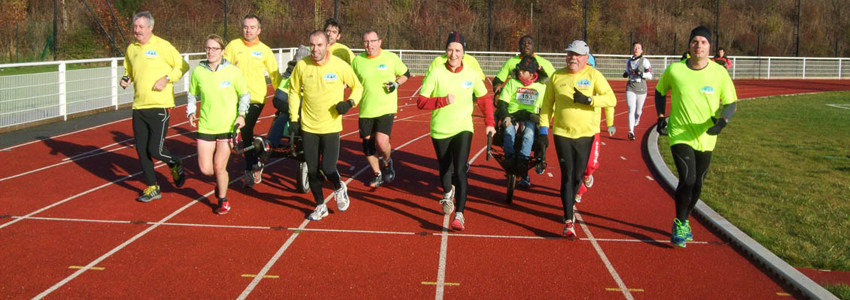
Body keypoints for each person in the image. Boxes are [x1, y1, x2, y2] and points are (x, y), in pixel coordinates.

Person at [655, 26, 737, 247]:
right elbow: (660, 91)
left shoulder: (719, 73)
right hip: (680, 132)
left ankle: (686, 218)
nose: (698, 45)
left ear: (709, 47)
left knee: (698, 183)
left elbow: (730, 103)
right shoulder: (675, 70)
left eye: (703, 42)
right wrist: (662, 116)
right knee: (688, 178)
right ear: (689, 45)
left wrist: (723, 122)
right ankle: (680, 223)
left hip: (706, 135)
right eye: (695, 41)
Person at [417, 32, 496, 231]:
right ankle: (446, 193)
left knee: (460, 170)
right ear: (445, 51)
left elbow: (484, 99)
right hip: (440, 129)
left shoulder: (471, 73)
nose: (454, 54)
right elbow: (421, 101)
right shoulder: (436, 72)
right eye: (450, 50)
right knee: (445, 169)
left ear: (464, 53)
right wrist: (442, 100)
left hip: (463, 127)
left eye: (458, 50)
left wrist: (489, 122)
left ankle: (460, 214)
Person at [538, 40, 616, 237]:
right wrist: (543, 131)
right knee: (567, 174)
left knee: (577, 176)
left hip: (586, 134)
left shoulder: (593, 75)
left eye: (577, 55)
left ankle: (570, 203)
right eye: (569, 54)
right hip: (562, 133)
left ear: (585, 58)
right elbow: (547, 106)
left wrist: (590, 100)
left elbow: (611, 98)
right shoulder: (557, 76)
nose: (572, 58)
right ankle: (568, 220)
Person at [288, 30, 363, 221]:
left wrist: (350, 103)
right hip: (308, 127)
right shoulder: (302, 66)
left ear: (327, 45)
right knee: (312, 170)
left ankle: (339, 187)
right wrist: (294, 119)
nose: (315, 49)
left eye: (319, 45)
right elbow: (294, 92)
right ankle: (320, 205)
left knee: (329, 168)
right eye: (312, 45)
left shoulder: (339, 65)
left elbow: (358, 87)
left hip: (330, 127)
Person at [120, 11, 189, 203]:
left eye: (141, 27)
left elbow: (182, 66)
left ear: (151, 27)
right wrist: (126, 78)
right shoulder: (131, 48)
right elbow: (129, 69)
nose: (137, 30)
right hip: (138, 106)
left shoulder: (162, 45)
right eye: (135, 27)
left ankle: (174, 161)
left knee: (155, 150)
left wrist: (166, 79)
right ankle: (152, 187)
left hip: (160, 105)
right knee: (141, 150)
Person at [186, 35, 249, 214]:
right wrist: (191, 111)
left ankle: (223, 199)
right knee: (206, 169)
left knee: (220, 167)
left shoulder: (233, 72)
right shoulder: (198, 71)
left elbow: (244, 94)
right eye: (208, 48)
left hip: (228, 127)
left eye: (215, 48)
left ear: (222, 51)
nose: (211, 52)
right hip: (206, 125)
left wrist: (242, 115)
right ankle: (221, 183)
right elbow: (192, 94)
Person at [223, 14, 280, 188]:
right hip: (235, 96)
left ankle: (250, 167)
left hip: (255, 97)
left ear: (259, 30)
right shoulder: (233, 46)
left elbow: (275, 75)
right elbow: (222, 67)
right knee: (234, 131)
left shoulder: (265, 50)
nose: (248, 30)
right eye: (245, 27)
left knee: (246, 127)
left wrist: (281, 96)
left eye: (252, 27)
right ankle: (255, 159)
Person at [352, 30, 411, 188]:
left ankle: (387, 161)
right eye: (366, 41)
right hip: (366, 109)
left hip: (386, 107)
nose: (369, 45)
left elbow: (406, 74)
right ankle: (377, 173)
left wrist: (396, 84)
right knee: (368, 145)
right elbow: (351, 80)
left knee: (382, 143)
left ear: (380, 42)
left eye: (372, 41)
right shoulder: (357, 61)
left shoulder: (390, 58)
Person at [495, 55, 546, 188]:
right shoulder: (512, 83)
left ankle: (523, 163)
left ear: (532, 73)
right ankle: (510, 159)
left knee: (529, 134)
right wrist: (505, 116)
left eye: (523, 71)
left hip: (530, 118)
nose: (520, 72)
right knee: (509, 131)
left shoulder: (540, 87)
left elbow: (545, 108)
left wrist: (540, 120)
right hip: (512, 116)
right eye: (519, 70)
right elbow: (502, 102)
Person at [267, 45, 310, 150]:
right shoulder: (288, 77)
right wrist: (292, 111)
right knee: (280, 119)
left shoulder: (314, 76)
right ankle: (270, 144)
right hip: (292, 109)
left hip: (310, 111)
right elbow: (278, 99)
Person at [574, 100, 616, 203]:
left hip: (593, 130)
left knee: (590, 163)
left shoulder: (599, 84)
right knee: (574, 164)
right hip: (574, 130)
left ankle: (587, 175)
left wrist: (610, 123)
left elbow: (608, 102)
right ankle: (579, 190)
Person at [491, 35, 556, 95]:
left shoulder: (545, 63)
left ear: (534, 46)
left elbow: (555, 81)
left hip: (538, 102)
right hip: (516, 102)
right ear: (519, 46)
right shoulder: (511, 62)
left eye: (529, 43)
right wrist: (497, 85)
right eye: (523, 43)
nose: (526, 45)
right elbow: (498, 79)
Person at [622, 42, 653, 141]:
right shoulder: (629, 61)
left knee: (638, 111)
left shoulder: (645, 61)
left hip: (641, 89)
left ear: (641, 51)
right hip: (631, 87)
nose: (636, 49)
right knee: (631, 109)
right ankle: (631, 131)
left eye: (638, 48)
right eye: (635, 47)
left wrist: (642, 74)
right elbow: (628, 70)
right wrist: (626, 73)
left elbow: (650, 75)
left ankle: (638, 118)